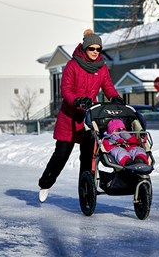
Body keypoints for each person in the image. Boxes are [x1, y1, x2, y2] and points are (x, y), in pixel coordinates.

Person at [38, 29, 124, 202]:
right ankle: (45, 183)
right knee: (61, 155)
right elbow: (65, 89)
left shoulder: (102, 67)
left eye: (98, 49)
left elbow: (108, 87)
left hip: (89, 118)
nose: (95, 52)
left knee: (88, 158)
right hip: (69, 118)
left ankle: (86, 194)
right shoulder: (72, 65)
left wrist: (115, 97)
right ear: (85, 48)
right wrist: (77, 100)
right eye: (91, 48)